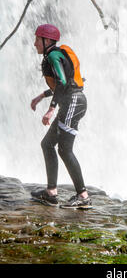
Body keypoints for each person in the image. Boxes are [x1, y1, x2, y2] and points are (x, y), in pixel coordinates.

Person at [30, 24, 91, 209]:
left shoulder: (53, 56)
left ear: (47, 41)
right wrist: (42, 96)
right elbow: (62, 83)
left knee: (64, 149)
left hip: (73, 102)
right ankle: (51, 193)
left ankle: (83, 196)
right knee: (47, 144)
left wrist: (51, 109)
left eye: (37, 39)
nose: (34, 44)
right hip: (71, 101)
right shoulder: (54, 55)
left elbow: (63, 83)